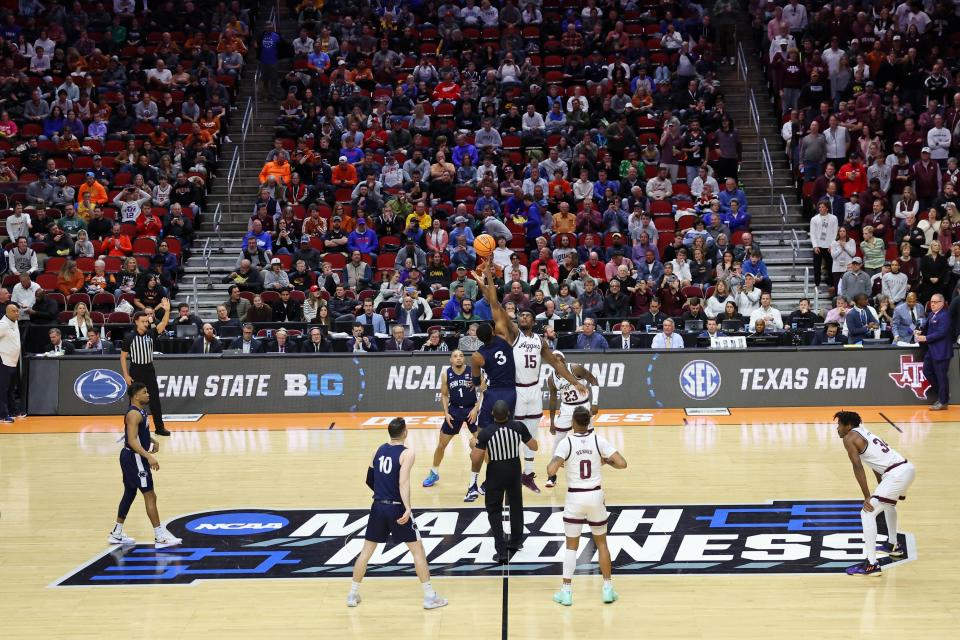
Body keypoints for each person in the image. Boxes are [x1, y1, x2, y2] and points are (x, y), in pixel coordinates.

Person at [476, 260, 585, 495]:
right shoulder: (513, 334)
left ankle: (528, 473)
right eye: (521, 316)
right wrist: (488, 277)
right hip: (515, 389)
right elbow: (495, 303)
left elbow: (556, 363)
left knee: (531, 435)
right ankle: (503, 472)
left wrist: (575, 381)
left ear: (534, 322)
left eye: (527, 316)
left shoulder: (539, 341)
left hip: (534, 390)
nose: (523, 317)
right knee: (510, 434)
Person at [348, 417, 448, 609]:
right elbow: (403, 482)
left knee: (366, 552)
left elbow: (369, 479)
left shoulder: (378, 450)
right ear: (405, 432)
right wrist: (407, 506)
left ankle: (352, 594)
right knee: (418, 551)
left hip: (378, 506)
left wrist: (382, 493)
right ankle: (429, 597)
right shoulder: (407, 453)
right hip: (396, 507)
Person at [547, 405, 627, 605]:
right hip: (595, 496)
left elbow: (550, 469)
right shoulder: (598, 441)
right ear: (588, 422)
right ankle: (608, 588)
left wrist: (562, 462)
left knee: (571, 547)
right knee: (602, 544)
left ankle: (566, 592)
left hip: (575, 497)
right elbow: (622, 463)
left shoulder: (567, 443)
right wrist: (605, 462)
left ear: (573, 422)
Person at [834, 410, 916, 577]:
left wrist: (867, 497)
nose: (837, 429)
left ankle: (871, 565)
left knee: (867, 512)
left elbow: (858, 466)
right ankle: (893, 545)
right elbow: (875, 462)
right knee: (887, 504)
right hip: (905, 468)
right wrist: (881, 487)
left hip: (896, 474)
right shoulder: (863, 430)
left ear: (848, 426)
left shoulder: (850, 438)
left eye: (839, 425)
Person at [108, 382, 182, 548]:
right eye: (144, 392)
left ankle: (116, 533)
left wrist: (152, 440)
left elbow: (138, 434)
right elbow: (133, 440)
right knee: (150, 495)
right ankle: (160, 537)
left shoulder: (140, 411)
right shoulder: (134, 414)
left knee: (130, 492)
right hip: (135, 458)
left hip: (131, 457)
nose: (148, 394)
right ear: (136, 396)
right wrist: (149, 457)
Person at [470, 400, 538, 562]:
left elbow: (475, 459)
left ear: (492, 414)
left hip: (495, 472)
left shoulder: (486, 433)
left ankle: (501, 550)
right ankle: (515, 542)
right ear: (508, 414)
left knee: (494, 510)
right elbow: (534, 447)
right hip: (514, 470)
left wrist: (474, 445)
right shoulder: (518, 427)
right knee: (516, 506)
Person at [423, 350, 483, 489]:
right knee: (441, 445)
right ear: (451, 359)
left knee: (482, 445)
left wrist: (476, 408)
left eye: (461, 356)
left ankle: (492, 476)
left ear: (464, 359)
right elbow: (444, 395)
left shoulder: (472, 372)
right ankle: (434, 472)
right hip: (454, 411)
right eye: (455, 356)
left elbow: (483, 390)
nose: (458, 358)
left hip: (471, 411)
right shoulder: (446, 374)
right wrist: (446, 413)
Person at [546, 351, 599, 488]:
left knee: (589, 438)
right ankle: (552, 476)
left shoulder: (575, 368)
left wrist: (595, 403)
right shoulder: (551, 378)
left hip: (583, 406)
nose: (559, 363)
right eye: (555, 361)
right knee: (558, 441)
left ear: (564, 360)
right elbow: (553, 400)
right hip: (566, 408)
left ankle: (592, 467)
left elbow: (594, 380)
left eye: (560, 360)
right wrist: (552, 421)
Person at [120, 300, 171, 436]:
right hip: (135, 370)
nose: (145, 323)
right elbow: (123, 357)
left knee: (154, 400)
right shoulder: (129, 338)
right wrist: (126, 375)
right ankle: (131, 429)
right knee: (134, 400)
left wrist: (167, 311)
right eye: (142, 321)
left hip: (149, 369)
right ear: (136, 321)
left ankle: (159, 428)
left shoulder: (151, 334)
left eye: (146, 321)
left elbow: (163, 324)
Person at [916, 293, 952, 410]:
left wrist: (925, 338)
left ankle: (943, 401)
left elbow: (941, 333)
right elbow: (925, 329)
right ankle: (943, 394)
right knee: (927, 372)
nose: (932, 304)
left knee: (941, 376)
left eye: (935, 302)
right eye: (931, 302)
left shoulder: (945, 316)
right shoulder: (931, 314)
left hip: (941, 351)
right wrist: (919, 332)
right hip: (931, 351)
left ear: (942, 303)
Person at [0, 304, 21, 422]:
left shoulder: (15, 322)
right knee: (2, 390)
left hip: (13, 361)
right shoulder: (2, 325)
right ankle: (2, 415)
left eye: (17, 311)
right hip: (4, 361)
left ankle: (12, 411)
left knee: (11, 389)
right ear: (7, 312)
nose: (17, 313)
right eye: (13, 311)